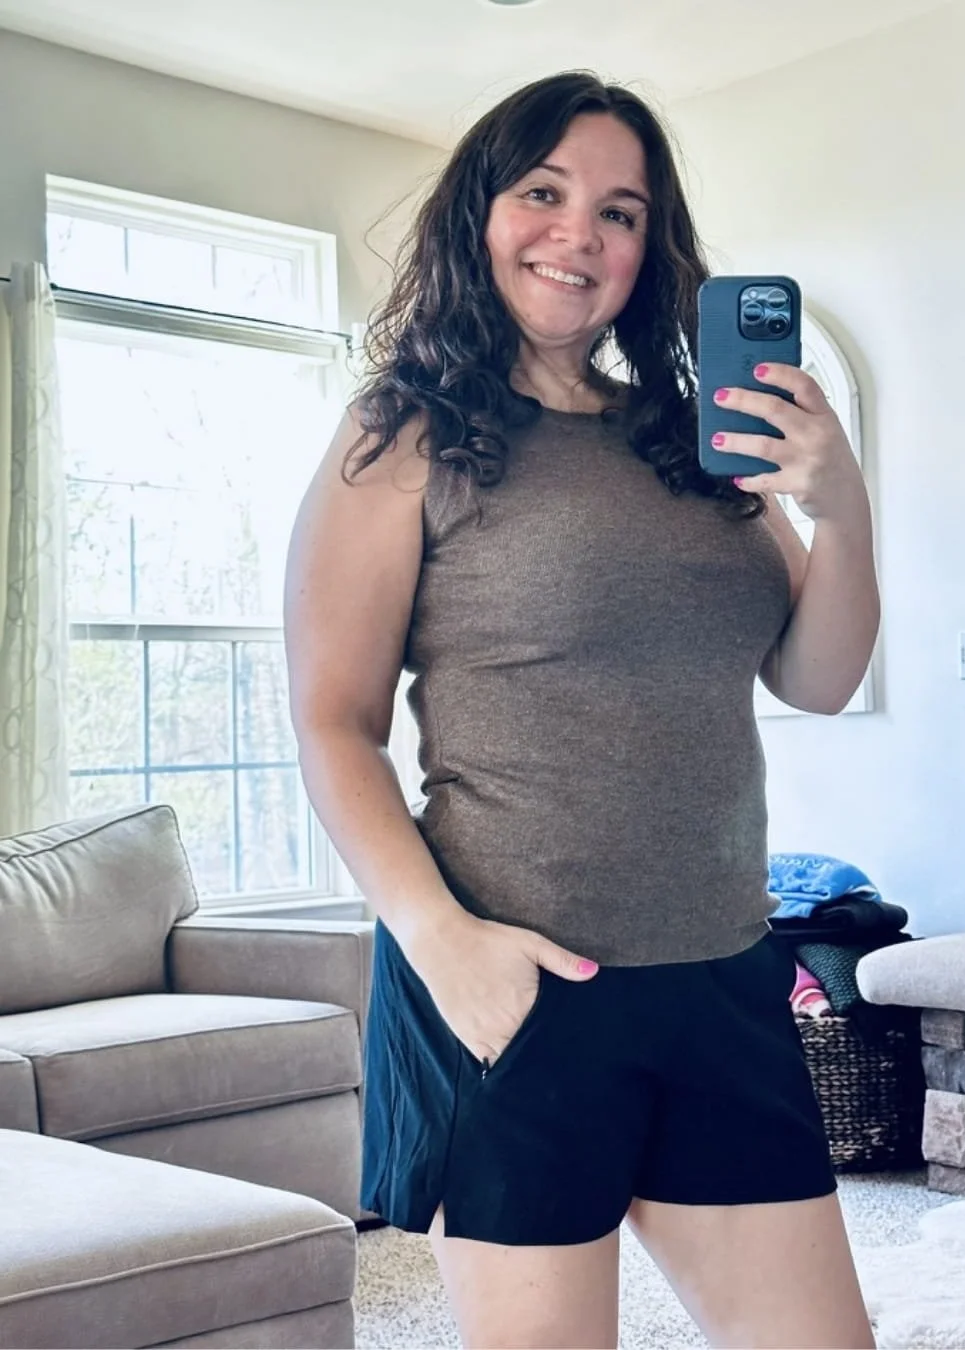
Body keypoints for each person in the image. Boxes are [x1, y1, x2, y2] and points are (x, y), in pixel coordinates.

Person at [284, 69, 880, 1350]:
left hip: (724, 976)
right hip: (516, 983)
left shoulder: (694, 442)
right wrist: (446, 948)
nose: (579, 236)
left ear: (647, 250)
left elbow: (817, 679)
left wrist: (843, 507)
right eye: (543, 193)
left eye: (620, 211)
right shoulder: (402, 439)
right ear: (478, 216)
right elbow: (334, 720)